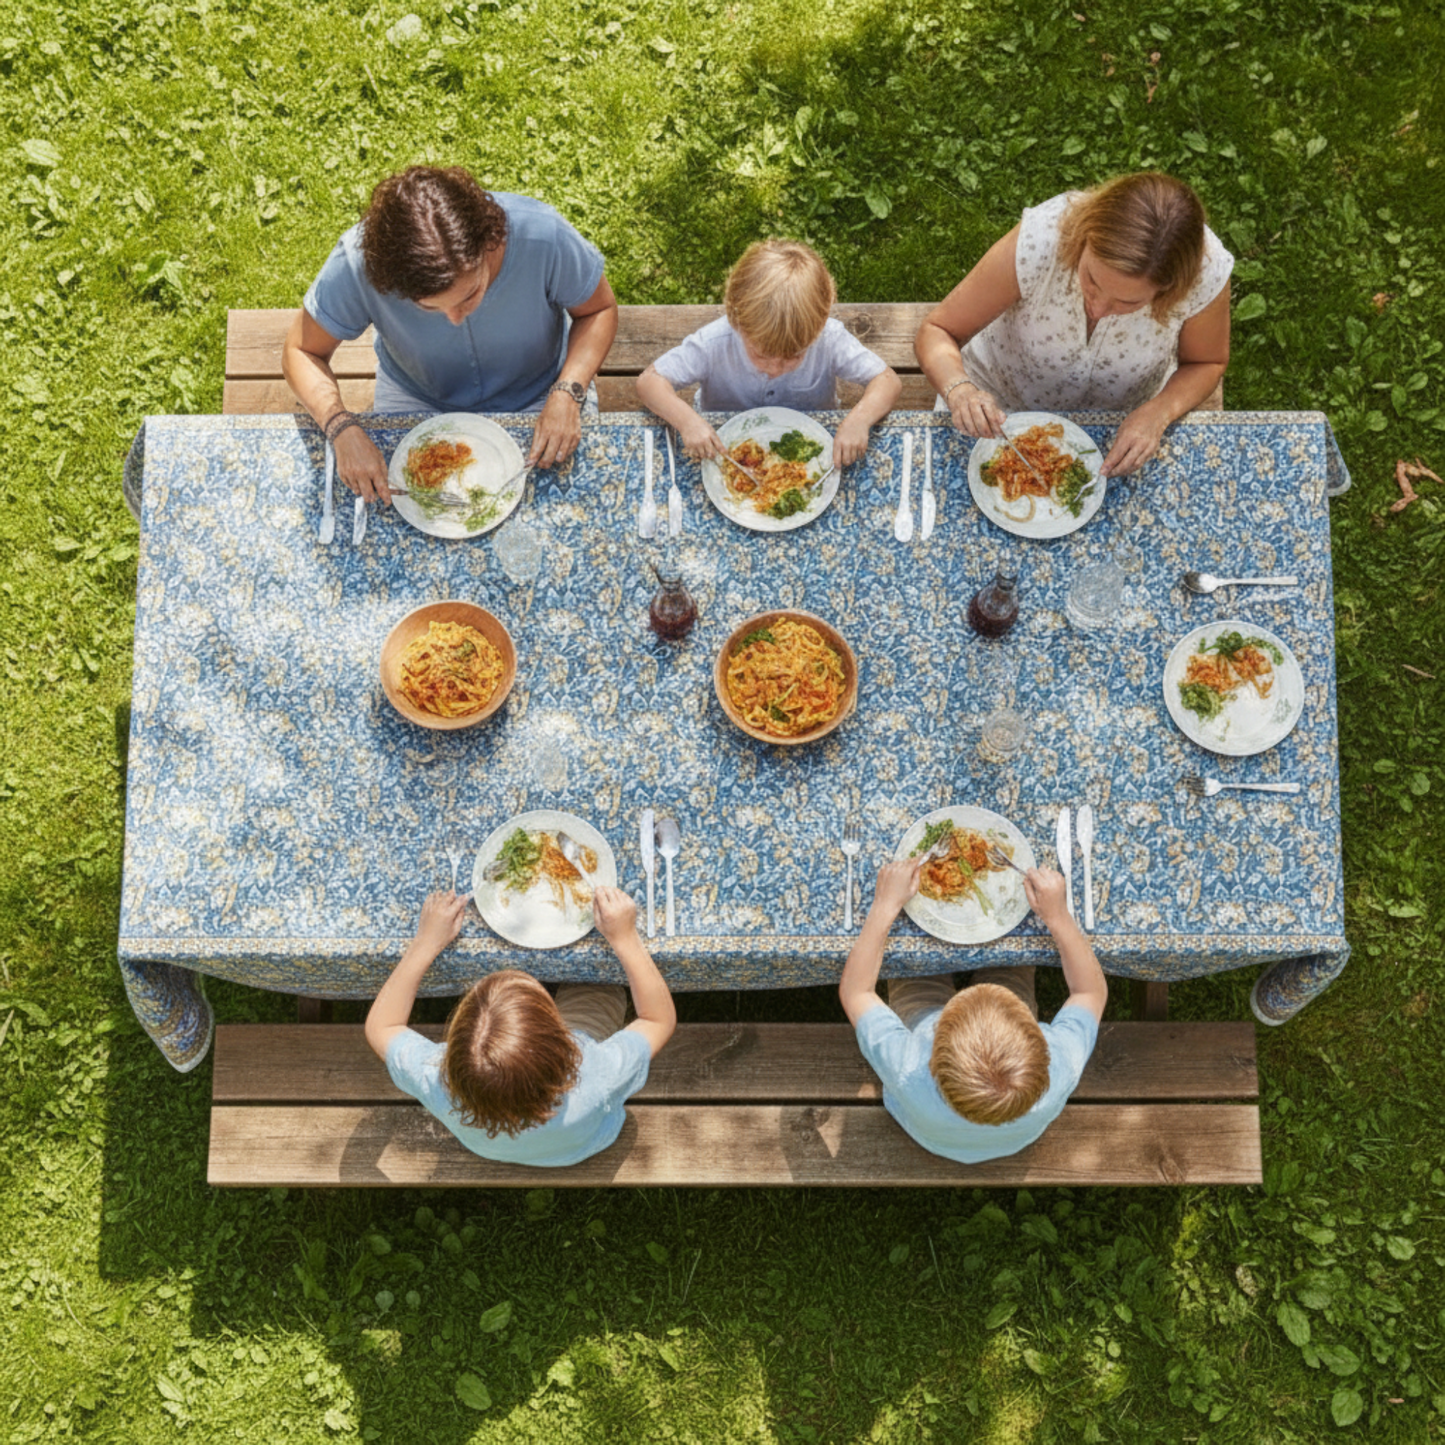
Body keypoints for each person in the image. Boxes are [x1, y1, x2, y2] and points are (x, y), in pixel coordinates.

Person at [283, 165, 620, 504]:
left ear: (490, 241)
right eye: (430, 308)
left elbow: (598, 310)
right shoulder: (357, 262)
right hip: (416, 397)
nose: (455, 319)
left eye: (471, 294)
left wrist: (568, 391)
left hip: (545, 390)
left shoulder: (544, 234)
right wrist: (340, 427)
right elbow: (301, 351)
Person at [915, 172, 1232, 477]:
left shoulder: (1205, 272)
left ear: (1171, 289)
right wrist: (960, 389)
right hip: (995, 410)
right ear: (1084, 238)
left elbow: (1206, 362)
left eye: (1129, 303)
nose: (1098, 306)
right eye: (1092, 279)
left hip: (1120, 425)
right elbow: (937, 331)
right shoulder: (1043, 237)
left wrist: (1158, 413)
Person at [365, 887, 675, 1166]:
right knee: (599, 989)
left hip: (490, 1147)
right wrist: (625, 938)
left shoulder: (436, 1078)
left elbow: (382, 1026)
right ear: (565, 1042)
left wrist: (425, 942)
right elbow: (656, 1019)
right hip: (581, 1146)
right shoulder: (597, 1074)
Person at [838, 859, 1107, 1164]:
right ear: (1040, 1043)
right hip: (1007, 1138)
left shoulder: (907, 1069)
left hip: (928, 1128)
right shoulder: (1058, 1067)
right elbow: (1090, 992)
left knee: (914, 972)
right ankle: (1004, 977)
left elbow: (856, 991)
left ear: (933, 1059)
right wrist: (1058, 916)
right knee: (1012, 960)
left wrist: (885, 905)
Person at [635, 239, 901, 467]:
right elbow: (649, 382)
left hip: (812, 445)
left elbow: (887, 381)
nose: (775, 368)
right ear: (736, 319)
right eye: (761, 355)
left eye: (794, 356)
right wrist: (687, 421)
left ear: (821, 323)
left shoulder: (829, 338)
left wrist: (859, 420)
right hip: (722, 445)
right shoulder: (715, 343)